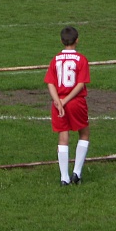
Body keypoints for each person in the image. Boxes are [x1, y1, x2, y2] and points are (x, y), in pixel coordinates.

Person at [45, 26, 91, 186]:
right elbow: (80, 84)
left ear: (61, 41)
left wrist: (58, 101)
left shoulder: (55, 59)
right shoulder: (82, 59)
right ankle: (77, 173)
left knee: (63, 138)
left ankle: (64, 178)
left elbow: (50, 83)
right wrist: (66, 100)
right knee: (84, 133)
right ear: (77, 40)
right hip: (76, 102)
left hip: (58, 102)